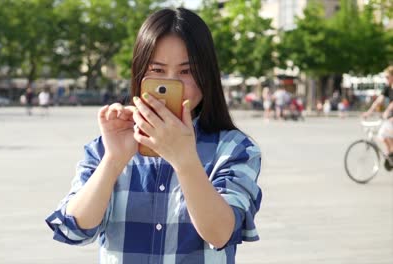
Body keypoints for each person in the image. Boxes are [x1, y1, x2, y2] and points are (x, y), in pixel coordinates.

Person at [45, 8, 262, 263]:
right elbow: (74, 229)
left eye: (186, 71)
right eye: (157, 70)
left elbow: (221, 233)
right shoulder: (107, 145)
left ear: (207, 75)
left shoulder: (234, 149)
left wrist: (185, 161)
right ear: (139, 73)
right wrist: (114, 159)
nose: (173, 83)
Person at [362, 65, 393, 170]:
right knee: (384, 135)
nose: (386, 79)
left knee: (383, 132)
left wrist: (387, 111)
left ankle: (391, 153)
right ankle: (391, 154)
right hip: (390, 117)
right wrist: (369, 112)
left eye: (388, 77)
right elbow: (379, 100)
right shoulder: (388, 87)